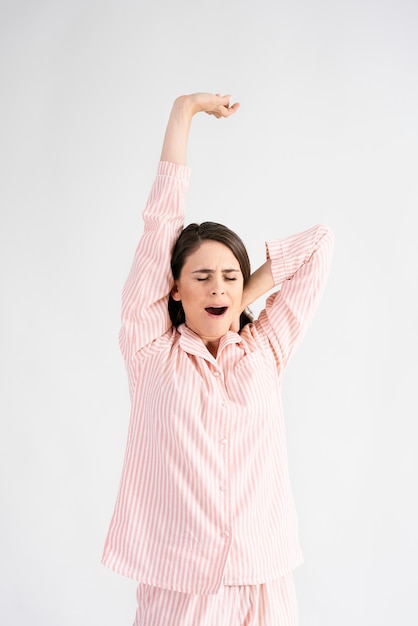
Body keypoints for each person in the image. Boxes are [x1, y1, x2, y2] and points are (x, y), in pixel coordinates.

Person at [102, 92, 334, 625]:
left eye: (229, 276)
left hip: (264, 576)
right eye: (202, 277)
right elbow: (160, 224)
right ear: (174, 289)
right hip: (183, 585)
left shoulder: (264, 350)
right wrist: (182, 113)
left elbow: (320, 244)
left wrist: (239, 303)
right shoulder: (150, 353)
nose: (217, 286)